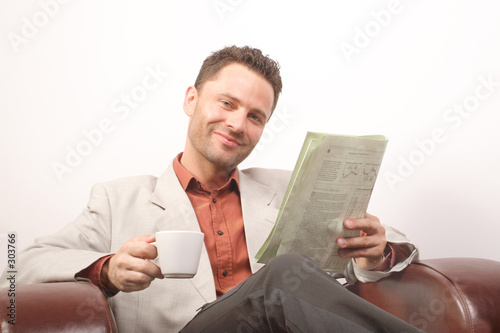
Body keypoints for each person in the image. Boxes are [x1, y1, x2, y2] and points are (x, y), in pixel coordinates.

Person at [1, 46, 420, 332]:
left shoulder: (287, 187)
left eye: (256, 117)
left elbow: (394, 245)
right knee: (280, 277)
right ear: (191, 100)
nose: (238, 124)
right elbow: (19, 267)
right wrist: (107, 270)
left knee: (289, 278)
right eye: (227, 103)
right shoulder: (117, 199)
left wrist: (375, 252)